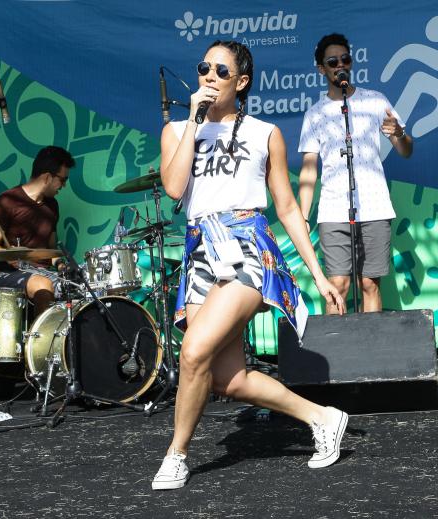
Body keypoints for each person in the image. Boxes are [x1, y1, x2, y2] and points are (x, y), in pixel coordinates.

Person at [152, 40, 349, 490]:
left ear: (241, 82)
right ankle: (323, 418)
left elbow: (287, 207)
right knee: (229, 379)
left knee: (193, 351)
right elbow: (175, 189)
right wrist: (193, 123)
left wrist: (317, 274)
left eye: (221, 71)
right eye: (204, 67)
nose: (209, 76)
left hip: (247, 246)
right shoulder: (176, 130)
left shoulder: (265, 133)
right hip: (201, 249)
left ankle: (176, 455)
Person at [298, 33, 413, 314]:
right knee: (337, 286)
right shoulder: (315, 114)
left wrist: (399, 134)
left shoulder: (375, 101)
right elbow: (309, 169)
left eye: (345, 59)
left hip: (374, 206)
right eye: (332, 62)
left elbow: (405, 151)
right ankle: (334, 345)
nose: (340, 65)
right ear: (321, 69)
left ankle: (371, 344)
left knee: (369, 284)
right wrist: (302, 216)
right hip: (333, 209)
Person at [0, 145, 74, 313]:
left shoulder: (52, 206)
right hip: (7, 275)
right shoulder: (5, 202)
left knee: (79, 285)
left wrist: (61, 265)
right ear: (47, 177)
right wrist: (8, 255)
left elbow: (50, 250)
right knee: (43, 284)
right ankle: (43, 331)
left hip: (44, 272)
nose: (64, 185)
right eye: (62, 180)